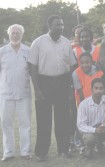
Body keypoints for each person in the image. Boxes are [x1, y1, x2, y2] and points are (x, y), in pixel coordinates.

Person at [28, 15, 77, 162]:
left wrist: (70, 88)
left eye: (62, 25)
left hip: (62, 82)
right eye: (57, 25)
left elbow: (72, 65)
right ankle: (41, 152)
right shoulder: (38, 42)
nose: (61, 27)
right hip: (44, 82)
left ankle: (63, 149)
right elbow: (33, 66)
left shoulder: (66, 43)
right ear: (50, 26)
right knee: (44, 119)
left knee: (63, 118)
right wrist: (37, 89)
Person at [0, 24, 32, 161]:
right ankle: (8, 153)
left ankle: (25, 152)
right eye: (12, 33)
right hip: (6, 94)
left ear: (22, 35)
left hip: (24, 93)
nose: (15, 35)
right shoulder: (2, 52)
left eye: (17, 33)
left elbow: (33, 72)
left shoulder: (28, 51)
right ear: (8, 35)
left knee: (25, 123)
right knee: (6, 124)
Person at [77, 78, 105, 160]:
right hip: (91, 132)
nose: (98, 91)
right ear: (91, 89)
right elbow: (80, 125)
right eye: (96, 88)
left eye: (101, 88)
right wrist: (95, 130)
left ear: (104, 90)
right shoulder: (83, 104)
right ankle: (88, 151)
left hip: (103, 129)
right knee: (90, 138)